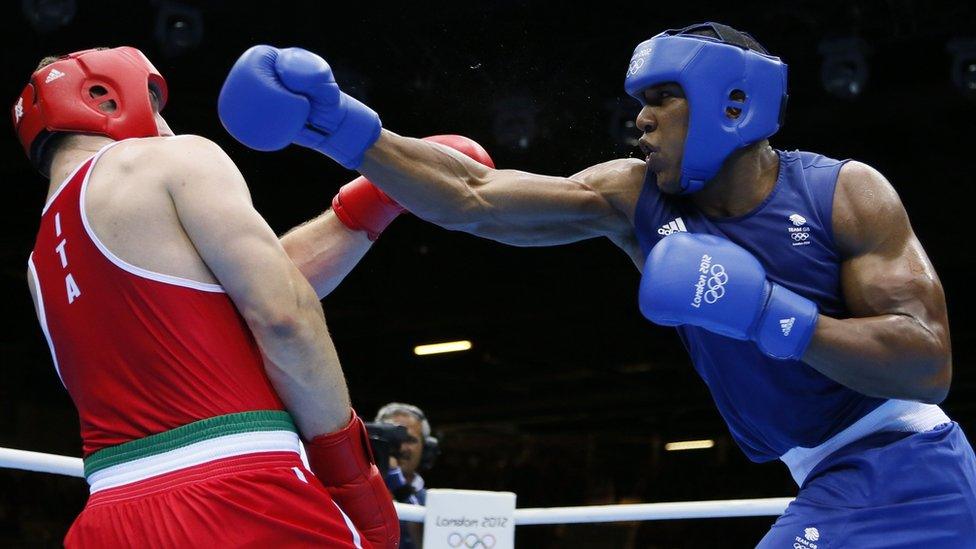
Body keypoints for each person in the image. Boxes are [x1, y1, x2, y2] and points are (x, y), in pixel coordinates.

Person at [218, 22, 976, 545]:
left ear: (730, 102)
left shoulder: (843, 194)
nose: (638, 122)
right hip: (828, 473)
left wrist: (770, 313)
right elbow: (476, 197)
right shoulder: (633, 194)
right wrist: (342, 128)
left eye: (661, 99)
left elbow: (928, 363)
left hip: (905, 465)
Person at [13, 47, 400, 548]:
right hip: (241, 494)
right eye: (156, 106)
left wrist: (369, 205)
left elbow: (223, 302)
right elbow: (284, 315)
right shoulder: (170, 159)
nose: (167, 127)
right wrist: (350, 473)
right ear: (104, 98)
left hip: (106, 517)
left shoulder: (39, 261)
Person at [374, 403, 441, 549]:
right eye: (394, 439)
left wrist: (398, 485)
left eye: (410, 440)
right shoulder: (352, 491)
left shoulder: (436, 502)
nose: (402, 448)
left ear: (426, 448)